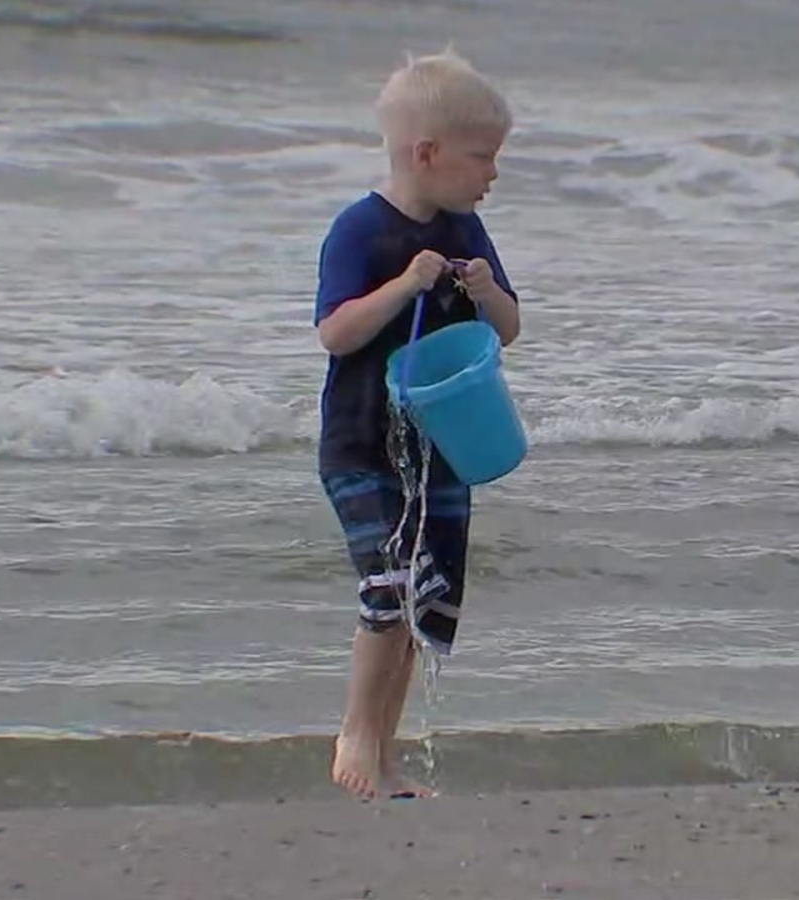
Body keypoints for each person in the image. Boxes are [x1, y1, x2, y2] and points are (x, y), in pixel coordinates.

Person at [312, 48, 521, 800]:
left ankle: (385, 754)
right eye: (482, 157)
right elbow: (335, 333)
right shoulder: (360, 231)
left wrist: (487, 290)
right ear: (426, 153)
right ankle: (354, 736)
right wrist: (404, 285)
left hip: (444, 449)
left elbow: (508, 329)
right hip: (362, 443)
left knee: (418, 599)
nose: (492, 174)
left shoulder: (468, 233)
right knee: (388, 582)